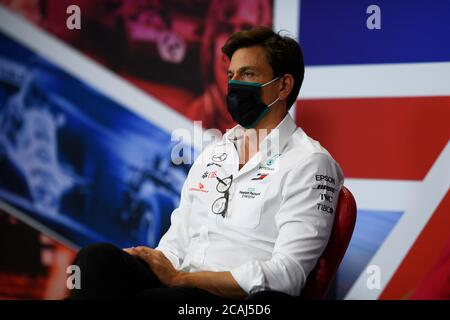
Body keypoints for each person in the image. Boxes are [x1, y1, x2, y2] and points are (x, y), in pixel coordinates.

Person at [70, 26, 344, 300]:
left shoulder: (310, 163)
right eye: (230, 75)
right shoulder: (215, 153)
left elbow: (287, 275)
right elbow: (175, 244)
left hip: (236, 299)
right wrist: (150, 259)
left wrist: (183, 279)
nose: (235, 84)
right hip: (179, 285)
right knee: (96, 261)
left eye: (248, 74)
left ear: (283, 86)